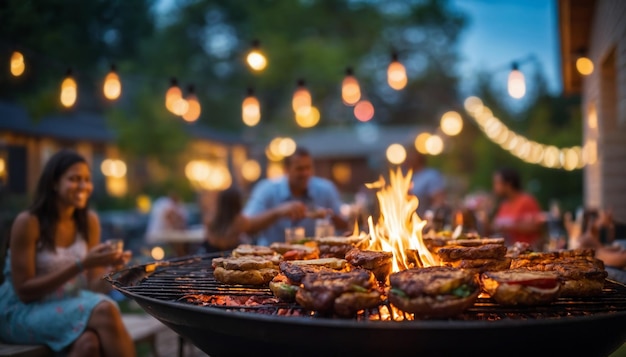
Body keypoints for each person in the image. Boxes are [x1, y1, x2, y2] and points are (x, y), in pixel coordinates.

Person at [0, 149, 135, 357]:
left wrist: (113, 271)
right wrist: (81, 265)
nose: (83, 186)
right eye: (74, 179)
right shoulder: (28, 222)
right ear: (54, 183)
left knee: (88, 345)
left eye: (87, 180)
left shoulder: (89, 222)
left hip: (66, 305)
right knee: (105, 310)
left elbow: (93, 287)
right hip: (21, 312)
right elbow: (24, 292)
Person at [243, 147, 349, 246]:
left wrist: (330, 215)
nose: (305, 173)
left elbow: (345, 226)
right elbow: (246, 226)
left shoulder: (326, 189)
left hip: (314, 258)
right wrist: (278, 212)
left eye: (308, 168)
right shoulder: (267, 189)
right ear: (286, 170)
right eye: (299, 169)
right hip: (270, 257)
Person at [201, 186, 304, 252]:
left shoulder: (210, 219)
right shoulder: (240, 221)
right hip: (229, 260)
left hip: (207, 258)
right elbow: (255, 225)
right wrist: (279, 212)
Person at [487, 167, 544, 249]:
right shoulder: (504, 205)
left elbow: (536, 226)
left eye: (497, 183)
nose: (494, 187)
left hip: (526, 254)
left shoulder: (526, 201)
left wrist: (510, 227)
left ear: (508, 184)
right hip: (509, 253)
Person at [578, 208, 626, 284]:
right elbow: (603, 250)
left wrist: (599, 250)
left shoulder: (601, 231)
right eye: (601, 215)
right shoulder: (592, 235)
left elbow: (603, 249)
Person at [145, 190, 189, 256]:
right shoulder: (167, 204)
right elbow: (171, 217)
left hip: (159, 239)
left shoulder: (164, 203)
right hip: (158, 240)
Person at [405, 150, 446, 220]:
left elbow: (438, 201)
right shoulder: (406, 177)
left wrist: (429, 217)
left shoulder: (431, 176)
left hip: (424, 221)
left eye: (411, 156)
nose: (408, 159)